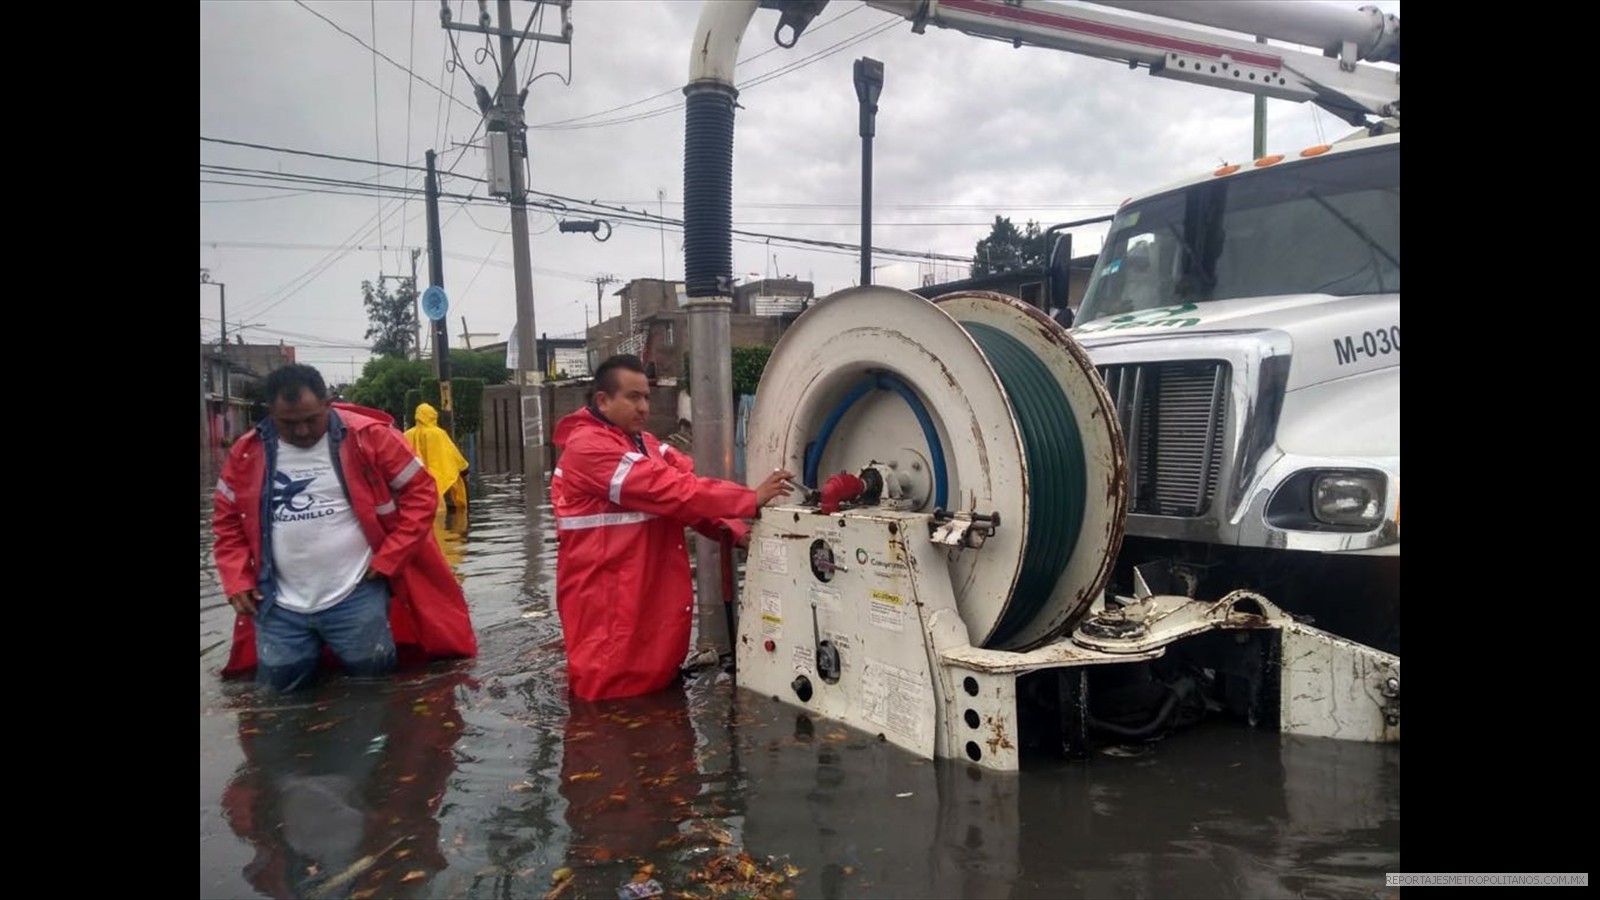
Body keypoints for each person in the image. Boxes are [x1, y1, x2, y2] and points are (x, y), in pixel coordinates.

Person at [212, 364, 477, 692]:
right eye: (289, 423)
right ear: (270, 413)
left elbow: (421, 494)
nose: (303, 432)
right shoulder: (246, 453)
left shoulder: (370, 437)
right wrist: (236, 579)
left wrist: (389, 558)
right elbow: (226, 522)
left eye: (312, 419)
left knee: (375, 689)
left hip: (357, 593)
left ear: (328, 403)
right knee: (278, 694)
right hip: (277, 604)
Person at [551, 354, 793, 701]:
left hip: (642, 613)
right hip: (610, 617)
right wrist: (750, 498)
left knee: (650, 714)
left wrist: (739, 533)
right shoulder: (588, 450)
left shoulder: (643, 444)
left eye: (646, 397)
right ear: (602, 401)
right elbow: (674, 491)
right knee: (607, 721)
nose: (644, 407)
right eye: (633, 397)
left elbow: (686, 492)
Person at [403, 402, 470, 512]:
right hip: (439, 482)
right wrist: (464, 470)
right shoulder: (438, 434)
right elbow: (452, 453)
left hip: (414, 484)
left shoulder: (407, 435)